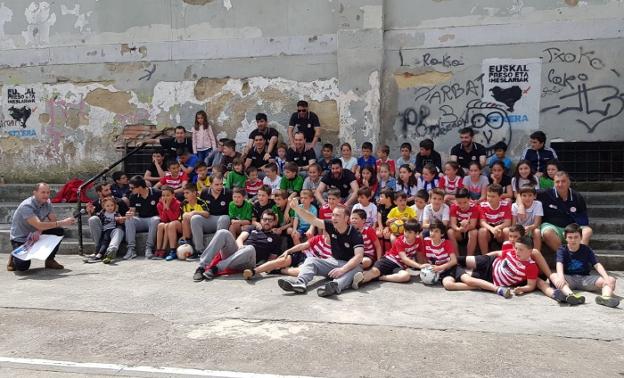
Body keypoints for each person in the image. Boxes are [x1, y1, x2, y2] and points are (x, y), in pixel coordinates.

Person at [278, 198, 364, 297]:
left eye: (338, 216)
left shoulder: (355, 234)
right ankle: (300, 283)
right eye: (333, 215)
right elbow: (313, 219)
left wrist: (342, 270)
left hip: (351, 265)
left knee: (355, 270)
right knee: (311, 260)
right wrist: (296, 208)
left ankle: (334, 286)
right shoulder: (331, 225)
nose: (334, 218)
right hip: (334, 262)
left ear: (346, 219)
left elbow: (359, 257)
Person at [541, 224, 619, 308]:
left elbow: (597, 265)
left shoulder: (586, 249)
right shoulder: (562, 249)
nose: (573, 240)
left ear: (581, 237)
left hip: (585, 279)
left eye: (576, 237)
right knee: (553, 275)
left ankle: (605, 298)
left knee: (611, 279)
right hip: (568, 279)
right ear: (565, 237)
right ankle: (571, 295)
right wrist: (561, 278)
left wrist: (606, 278)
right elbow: (559, 263)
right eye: (570, 237)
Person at [193, 210, 282, 282]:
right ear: (261, 220)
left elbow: (272, 258)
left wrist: (262, 268)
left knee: (250, 248)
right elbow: (240, 239)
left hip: (249, 262)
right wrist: (240, 247)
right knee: (223, 232)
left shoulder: (275, 238)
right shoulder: (252, 228)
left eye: (270, 220)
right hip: (237, 253)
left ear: (274, 222)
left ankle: (215, 269)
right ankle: (201, 267)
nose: (267, 222)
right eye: (265, 219)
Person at [443, 235, 539, 298]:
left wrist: (522, 289)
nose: (517, 251)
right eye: (516, 248)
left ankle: (444, 272)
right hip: (490, 262)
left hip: (490, 278)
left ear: (530, 251)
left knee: (462, 274)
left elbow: (531, 285)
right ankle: (441, 268)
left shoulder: (531, 266)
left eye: (521, 250)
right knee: (458, 259)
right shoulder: (513, 252)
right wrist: (483, 257)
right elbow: (498, 253)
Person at [8, 183, 75, 272]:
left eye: (48, 192)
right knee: (22, 267)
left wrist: (39, 230)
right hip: (21, 238)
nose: (46, 195)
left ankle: (50, 260)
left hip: (36, 233)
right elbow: (38, 224)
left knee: (58, 231)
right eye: (43, 192)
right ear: (35, 193)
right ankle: (13, 256)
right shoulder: (27, 206)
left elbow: (53, 221)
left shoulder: (47, 202)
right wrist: (63, 222)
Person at [351, 220, 422, 288]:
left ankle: (381, 277)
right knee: (374, 272)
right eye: (405, 231)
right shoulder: (399, 241)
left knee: (406, 276)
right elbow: (404, 259)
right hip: (388, 260)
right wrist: (420, 266)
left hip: (399, 266)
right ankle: (357, 280)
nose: (406, 234)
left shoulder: (419, 241)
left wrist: (425, 267)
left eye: (409, 232)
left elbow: (420, 256)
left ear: (417, 233)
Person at [538, 171, 592, 251]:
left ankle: (579, 255)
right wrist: (521, 205)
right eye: (557, 182)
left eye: (563, 181)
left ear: (569, 182)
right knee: (547, 233)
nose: (560, 184)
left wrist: (574, 230)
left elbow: (583, 218)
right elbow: (522, 192)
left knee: (587, 231)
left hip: (572, 227)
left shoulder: (577, 196)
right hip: (553, 227)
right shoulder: (544, 194)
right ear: (554, 183)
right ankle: (565, 256)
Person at [85, 182, 128, 261]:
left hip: (116, 228)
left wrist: (122, 219)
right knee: (92, 219)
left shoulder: (119, 201)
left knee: (118, 231)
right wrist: (89, 212)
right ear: (99, 192)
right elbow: (94, 221)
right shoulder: (95, 204)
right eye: (106, 190)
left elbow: (127, 216)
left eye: (110, 189)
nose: (109, 191)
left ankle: (111, 251)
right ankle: (98, 250)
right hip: (104, 229)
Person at [190, 173, 231, 254]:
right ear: (211, 184)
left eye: (221, 184)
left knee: (225, 218)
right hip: (208, 219)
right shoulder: (204, 192)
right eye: (216, 184)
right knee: (195, 219)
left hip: (222, 219)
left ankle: (217, 251)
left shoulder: (229, 192)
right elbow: (201, 208)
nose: (219, 187)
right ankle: (199, 250)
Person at [124, 176, 162, 260]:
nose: (130, 189)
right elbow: (133, 212)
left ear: (140, 187)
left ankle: (149, 248)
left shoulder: (156, 193)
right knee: (129, 219)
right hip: (141, 220)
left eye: (132, 188)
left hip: (153, 219)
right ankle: (131, 249)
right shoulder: (132, 196)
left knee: (155, 219)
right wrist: (129, 214)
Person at [419, 221, 458, 290]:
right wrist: (426, 266)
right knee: (448, 285)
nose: (432, 233)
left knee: (468, 279)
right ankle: (476, 287)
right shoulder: (425, 241)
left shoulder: (446, 243)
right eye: (431, 231)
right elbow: (424, 257)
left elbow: (454, 261)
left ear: (442, 234)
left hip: (450, 269)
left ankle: (479, 286)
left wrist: (440, 267)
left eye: (436, 231)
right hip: (439, 273)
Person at [88, 197, 125, 264]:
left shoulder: (116, 213)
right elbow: (97, 218)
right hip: (104, 230)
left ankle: (100, 254)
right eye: (107, 206)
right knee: (101, 241)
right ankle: (97, 253)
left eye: (112, 205)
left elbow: (120, 220)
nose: (110, 207)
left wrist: (120, 220)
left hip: (112, 230)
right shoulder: (102, 213)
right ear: (104, 206)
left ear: (115, 205)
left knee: (105, 241)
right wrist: (91, 211)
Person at [478, 184, 512, 254]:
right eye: (488, 196)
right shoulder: (482, 205)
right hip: (489, 230)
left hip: (500, 229)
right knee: (482, 231)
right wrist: (492, 229)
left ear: (500, 197)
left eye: (493, 196)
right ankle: (485, 256)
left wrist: (497, 227)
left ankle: (506, 255)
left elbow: (508, 222)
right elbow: (482, 222)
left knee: (507, 230)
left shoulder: (505, 205)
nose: (490, 198)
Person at [448, 188, 479, 256]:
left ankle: (469, 258)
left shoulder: (474, 208)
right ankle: (457, 258)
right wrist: (458, 229)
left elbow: (473, 225)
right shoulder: (454, 207)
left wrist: (466, 227)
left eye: (465, 202)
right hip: (459, 232)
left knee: (474, 232)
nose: (462, 205)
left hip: (469, 231)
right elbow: (453, 224)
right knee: (450, 232)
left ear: (469, 199)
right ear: (456, 200)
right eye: (459, 203)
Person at [511, 186, 543, 251]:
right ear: (520, 196)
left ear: (535, 196)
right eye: (524, 195)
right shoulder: (514, 206)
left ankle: (536, 253)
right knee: (513, 233)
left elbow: (537, 223)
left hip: (531, 228)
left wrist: (529, 228)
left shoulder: (538, 204)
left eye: (530, 195)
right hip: (519, 229)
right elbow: (513, 224)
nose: (527, 198)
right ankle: (513, 252)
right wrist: (520, 230)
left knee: (537, 231)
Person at [155, 186, 182, 260]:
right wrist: (164, 208)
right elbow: (163, 219)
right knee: (160, 225)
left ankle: (166, 250)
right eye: (163, 195)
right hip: (167, 223)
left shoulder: (178, 203)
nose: (165, 197)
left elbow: (174, 219)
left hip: (177, 224)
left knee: (169, 224)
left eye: (168, 195)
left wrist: (167, 208)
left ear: (173, 195)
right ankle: (158, 249)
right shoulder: (159, 204)